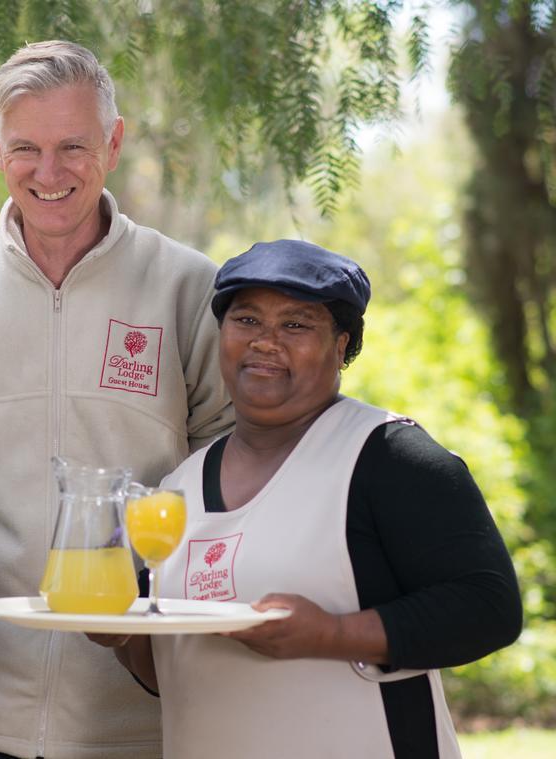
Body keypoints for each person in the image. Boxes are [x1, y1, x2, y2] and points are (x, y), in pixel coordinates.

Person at [0, 40, 233, 759]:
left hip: (141, 702)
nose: (49, 172)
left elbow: (229, 465)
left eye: (74, 145)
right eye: (25, 148)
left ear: (115, 140)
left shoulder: (187, 284)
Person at [95, 239, 523, 758]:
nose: (265, 342)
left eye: (296, 325)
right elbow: (169, 673)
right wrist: (115, 634)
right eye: (246, 321)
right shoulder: (177, 489)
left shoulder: (388, 457)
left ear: (341, 346)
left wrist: (332, 634)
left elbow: (489, 608)